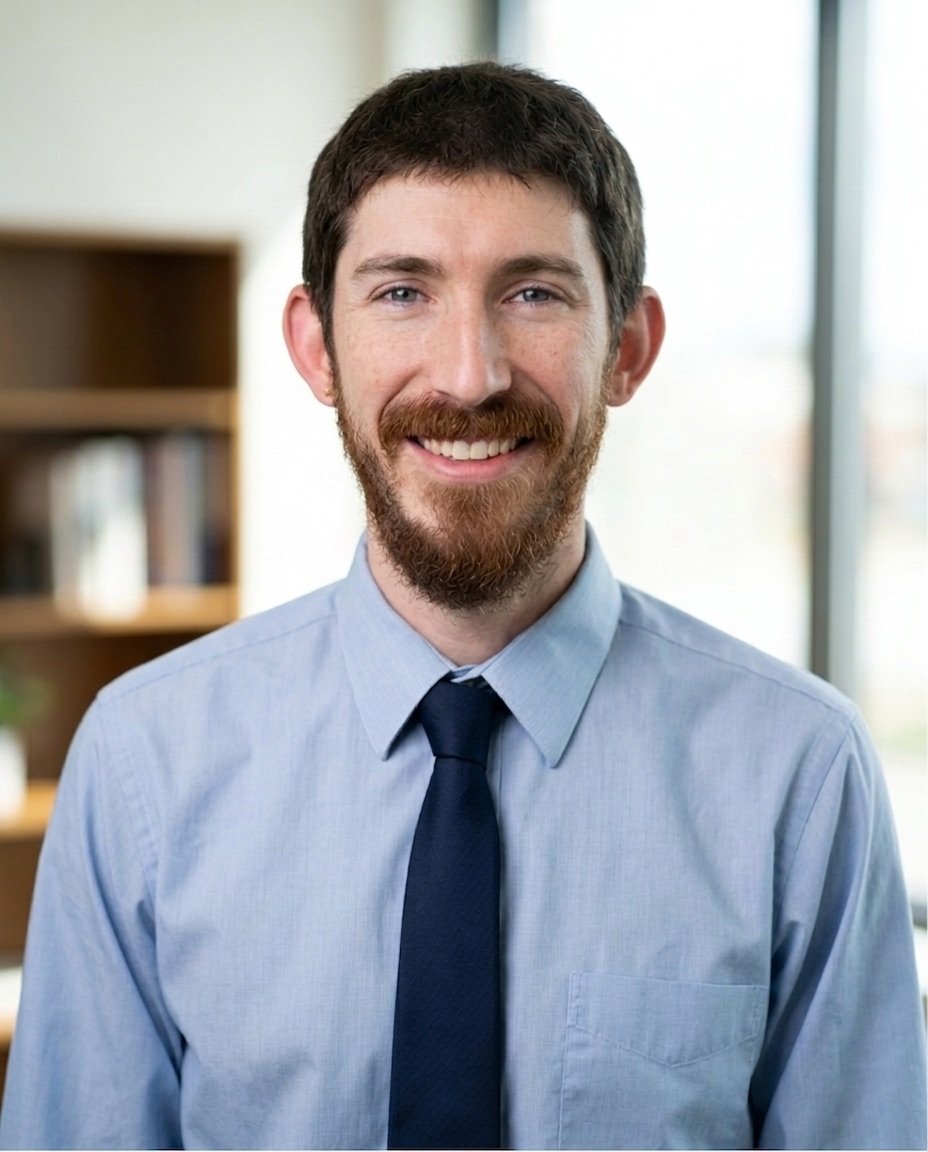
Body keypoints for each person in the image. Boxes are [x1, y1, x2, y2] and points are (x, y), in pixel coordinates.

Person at [1, 62, 924, 1150]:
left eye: (533, 293)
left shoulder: (799, 776)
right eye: (402, 291)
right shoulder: (143, 765)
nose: (469, 374)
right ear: (315, 346)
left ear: (627, 346)